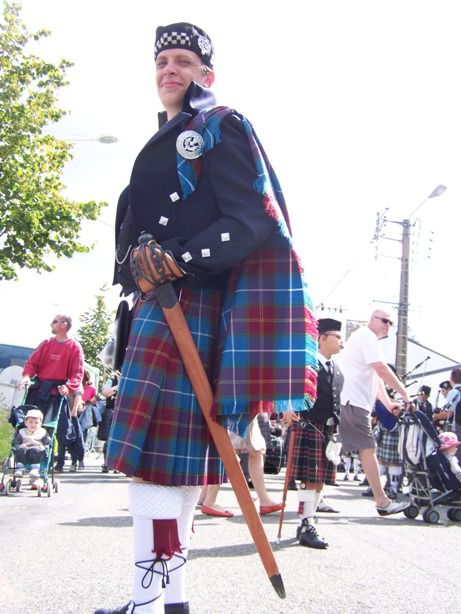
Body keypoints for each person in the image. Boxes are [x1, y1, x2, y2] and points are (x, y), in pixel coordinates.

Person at [96, 22, 317, 614]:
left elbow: (254, 220)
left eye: (183, 61)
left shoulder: (219, 125)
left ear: (206, 75)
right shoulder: (167, 137)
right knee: (171, 467)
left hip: (186, 303)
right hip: (160, 304)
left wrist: (179, 260)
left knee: (159, 469)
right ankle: (166, 600)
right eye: (162, 60)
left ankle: (152, 600)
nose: (170, 70)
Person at [337, 310, 411, 516]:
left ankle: (314, 498)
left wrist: (388, 404)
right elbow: (381, 369)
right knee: (367, 448)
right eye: (384, 320)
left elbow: (376, 378)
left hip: (353, 401)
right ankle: (382, 501)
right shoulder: (366, 336)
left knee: (334, 447)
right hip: (353, 401)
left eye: (390, 323)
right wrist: (405, 395)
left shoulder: (367, 339)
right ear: (372, 320)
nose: (388, 325)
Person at [288, 318, 344, 549]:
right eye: (337, 337)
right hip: (309, 424)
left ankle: (309, 517)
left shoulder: (336, 369)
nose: (341, 341)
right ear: (322, 338)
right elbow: (290, 385)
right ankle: (306, 522)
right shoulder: (307, 364)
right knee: (309, 479)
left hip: (328, 430)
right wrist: (287, 406)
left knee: (319, 478)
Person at [18, 314, 84, 473]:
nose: (51, 324)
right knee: (30, 424)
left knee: (58, 429)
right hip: (40, 389)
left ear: (64, 324)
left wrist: (68, 386)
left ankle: (51, 463)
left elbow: (77, 373)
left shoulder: (74, 347)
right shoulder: (46, 343)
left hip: (58, 392)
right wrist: (26, 377)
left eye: (55, 321)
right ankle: (26, 462)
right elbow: (32, 363)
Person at [13, 408, 51, 488]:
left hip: (37, 449)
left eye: (36, 422)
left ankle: (34, 469)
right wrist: (18, 446)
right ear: (25, 423)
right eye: (30, 422)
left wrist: (44, 447)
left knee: (35, 450)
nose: (33, 424)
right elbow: (16, 442)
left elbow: (47, 442)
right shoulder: (22, 431)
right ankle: (20, 468)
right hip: (25, 448)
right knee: (20, 449)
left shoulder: (43, 432)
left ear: (40, 424)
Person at [433, 368, 461, 462]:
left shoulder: (454, 392)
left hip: (457, 427)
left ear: (451, 379)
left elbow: (448, 413)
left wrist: (435, 416)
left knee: (456, 453)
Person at [99, 371, 120, 473]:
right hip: (110, 410)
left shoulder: (129, 380)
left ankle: (118, 465)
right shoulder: (111, 381)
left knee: (121, 439)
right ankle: (107, 463)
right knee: (109, 438)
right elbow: (105, 393)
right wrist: (117, 387)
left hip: (122, 412)